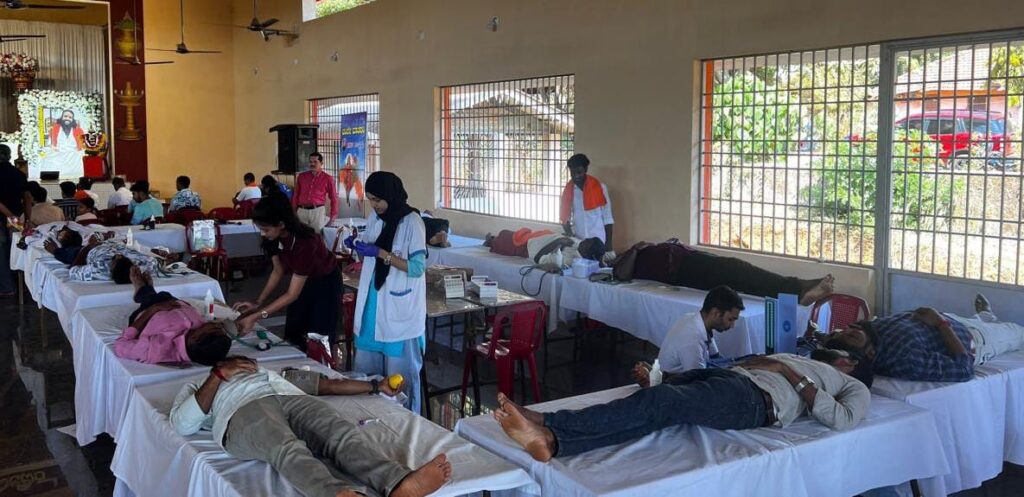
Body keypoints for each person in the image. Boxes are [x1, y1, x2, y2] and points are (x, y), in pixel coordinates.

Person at [494, 351, 872, 462]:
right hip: (731, 377)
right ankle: (555, 440)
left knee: (661, 403)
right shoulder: (810, 357)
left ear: (851, 362)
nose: (839, 338)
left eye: (850, 339)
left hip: (754, 400)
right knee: (654, 403)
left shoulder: (853, 386)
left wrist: (787, 371)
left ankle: (550, 426)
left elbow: (841, 420)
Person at [169, 356, 451, 497]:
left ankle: (398, 483)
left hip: (288, 396)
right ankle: (337, 494)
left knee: (339, 433)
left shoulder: (270, 373)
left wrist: (377, 386)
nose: (240, 366)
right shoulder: (201, 386)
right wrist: (218, 376)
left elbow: (327, 385)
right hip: (241, 409)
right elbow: (183, 423)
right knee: (285, 447)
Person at [351, 172, 427, 413]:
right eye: (370, 200)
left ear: (390, 195)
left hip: (399, 309)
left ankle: (405, 423)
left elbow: (417, 268)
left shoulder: (412, 221)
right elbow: (368, 250)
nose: (374, 205)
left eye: (377, 200)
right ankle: (370, 418)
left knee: (399, 379)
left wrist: (381, 254)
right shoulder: (376, 218)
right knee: (368, 376)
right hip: (372, 304)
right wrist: (358, 247)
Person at [824, 294, 1024, 383]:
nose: (850, 329)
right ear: (866, 354)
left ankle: (986, 317)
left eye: (845, 329)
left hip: (953, 321)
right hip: (976, 340)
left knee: (981, 321)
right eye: (850, 336)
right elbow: (963, 370)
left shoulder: (871, 332)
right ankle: (988, 322)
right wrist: (940, 323)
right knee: (1018, 332)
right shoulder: (903, 360)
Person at [231, 196, 341, 350]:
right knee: (294, 333)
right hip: (302, 280)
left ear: (282, 224)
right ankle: (296, 362)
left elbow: (291, 294)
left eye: (266, 229)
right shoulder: (273, 238)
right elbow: (278, 270)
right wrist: (258, 302)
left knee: (318, 336)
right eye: (260, 228)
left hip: (325, 284)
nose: (262, 234)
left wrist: (256, 316)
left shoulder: (305, 243)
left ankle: (322, 363)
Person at [616, 240, 834, 306]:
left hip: (689, 258)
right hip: (684, 270)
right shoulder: (624, 261)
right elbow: (621, 274)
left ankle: (797, 286)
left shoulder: (630, 255)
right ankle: (796, 290)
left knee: (740, 271)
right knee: (740, 273)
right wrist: (634, 249)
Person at [114, 267, 232, 365]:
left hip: (147, 311)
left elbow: (120, 345)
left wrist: (153, 309)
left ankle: (142, 288)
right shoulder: (204, 340)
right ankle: (147, 290)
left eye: (215, 328)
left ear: (195, 338)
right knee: (164, 295)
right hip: (175, 303)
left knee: (151, 297)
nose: (217, 325)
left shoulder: (155, 349)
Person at [653, 285, 745, 374]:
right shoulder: (692, 339)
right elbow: (698, 379)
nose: (732, 325)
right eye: (730, 319)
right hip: (675, 382)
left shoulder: (698, 320)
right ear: (716, 313)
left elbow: (716, 357)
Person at [560, 153, 613, 244]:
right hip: (579, 240)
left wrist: (609, 245)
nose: (576, 176)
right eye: (573, 173)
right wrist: (570, 235)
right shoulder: (568, 191)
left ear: (586, 169)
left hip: (598, 240)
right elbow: (565, 218)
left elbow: (607, 217)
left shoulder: (600, 188)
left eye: (579, 172)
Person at [65, 237, 165, 283]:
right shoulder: (142, 266)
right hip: (114, 243)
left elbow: (72, 269)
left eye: (115, 260)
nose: (118, 256)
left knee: (68, 240)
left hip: (88, 249)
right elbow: (155, 261)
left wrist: (88, 247)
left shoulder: (98, 270)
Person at [0, 143, 28, 297]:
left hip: (4, 217)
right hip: (16, 218)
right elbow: (27, 198)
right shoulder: (19, 174)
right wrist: (27, 218)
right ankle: (23, 285)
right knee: (16, 249)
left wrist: (9, 215)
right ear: (9, 156)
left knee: (2, 252)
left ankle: (7, 287)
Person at [292, 152, 338, 232]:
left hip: (317, 211)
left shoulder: (328, 178)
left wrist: (333, 217)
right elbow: (296, 195)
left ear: (321, 163)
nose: (312, 164)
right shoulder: (302, 177)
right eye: (310, 162)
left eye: (315, 162)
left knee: (316, 236)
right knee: (300, 235)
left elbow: (334, 198)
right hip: (302, 211)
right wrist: (293, 211)